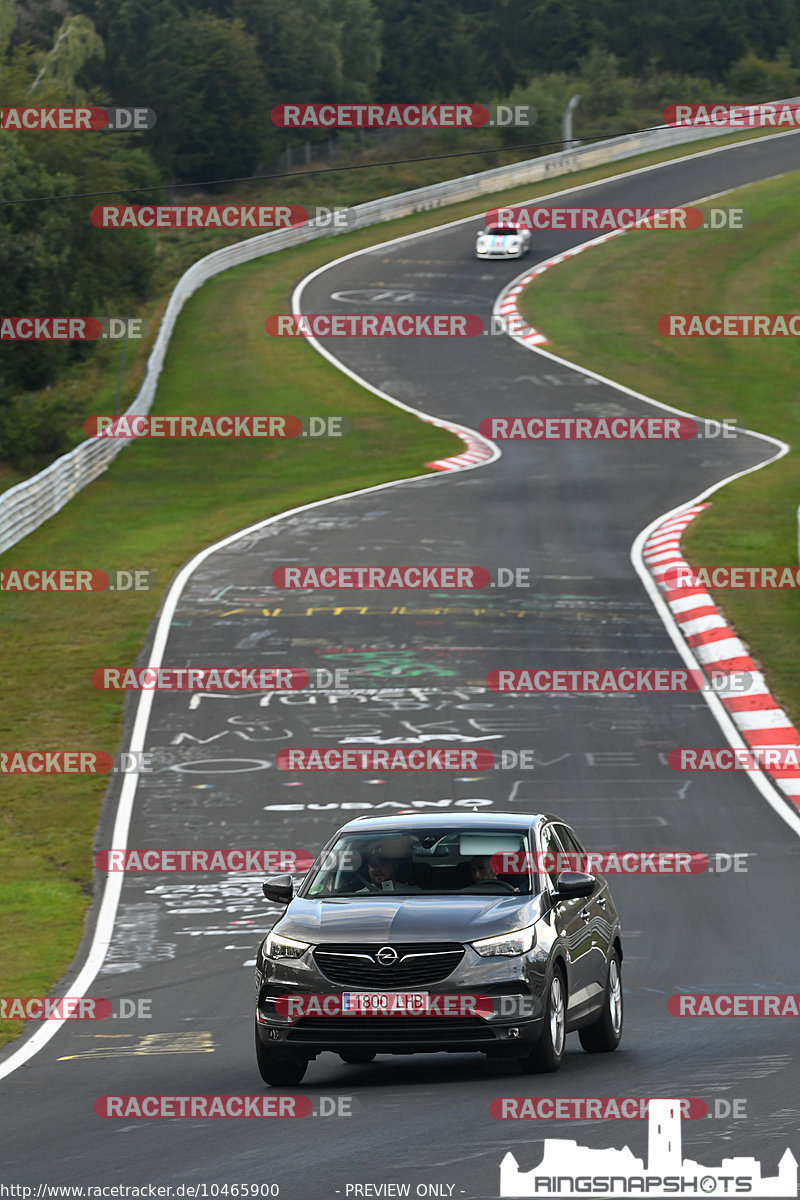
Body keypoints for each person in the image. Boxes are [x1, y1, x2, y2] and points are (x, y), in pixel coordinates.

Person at [355, 836, 420, 892]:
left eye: (383, 864)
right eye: (373, 865)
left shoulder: (415, 894)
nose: (377, 869)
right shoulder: (356, 898)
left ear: (395, 866)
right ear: (368, 868)